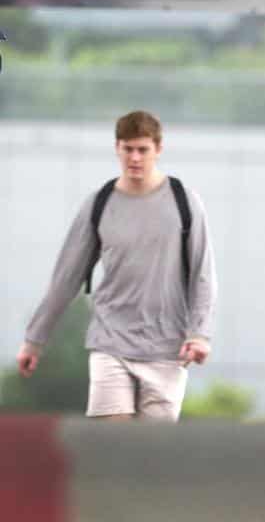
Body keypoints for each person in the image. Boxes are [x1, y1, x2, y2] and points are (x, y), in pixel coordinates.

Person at [15, 111, 217, 422]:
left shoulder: (184, 202)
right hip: (110, 341)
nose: (134, 158)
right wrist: (34, 340)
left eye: (143, 149)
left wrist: (200, 334)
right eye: (128, 149)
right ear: (117, 148)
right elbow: (66, 278)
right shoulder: (99, 204)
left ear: (158, 149)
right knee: (113, 444)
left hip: (167, 346)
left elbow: (202, 276)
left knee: (152, 456)